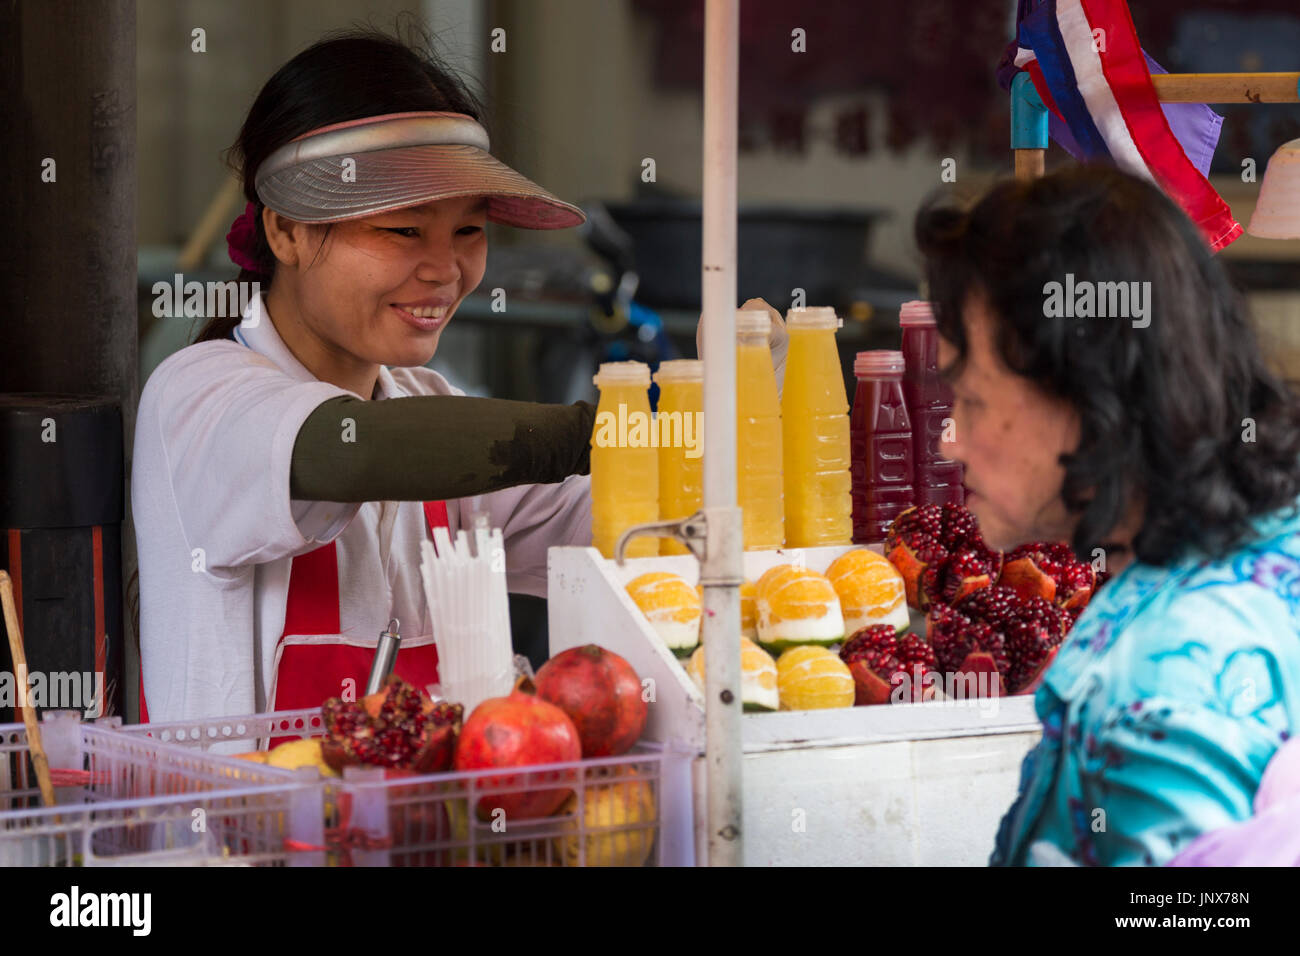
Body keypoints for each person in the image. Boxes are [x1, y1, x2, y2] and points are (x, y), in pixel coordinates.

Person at [133, 26, 598, 729]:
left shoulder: (430, 408)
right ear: (287, 231)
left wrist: (730, 427)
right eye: (405, 231)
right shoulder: (200, 396)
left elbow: (619, 519)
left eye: (469, 232)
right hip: (233, 839)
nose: (447, 269)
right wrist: (608, 427)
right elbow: (355, 449)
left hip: (413, 839)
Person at [914, 164, 1300, 866]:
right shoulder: (1274, 541)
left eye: (970, 401)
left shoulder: (1155, 686)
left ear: (1087, 403)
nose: (951, 441)